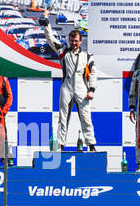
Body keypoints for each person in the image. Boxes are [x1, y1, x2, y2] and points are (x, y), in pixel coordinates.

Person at [40, 19, 97, 151]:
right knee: (63, 116)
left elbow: (93, 74)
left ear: (80, 41)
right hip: (66, 86)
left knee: (86, 117)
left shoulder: (87, 56)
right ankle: (60, 144)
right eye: (71, 40)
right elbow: (50, 39)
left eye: (76, 41)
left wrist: (92, 89)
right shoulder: (63, 52)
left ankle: (91, 144)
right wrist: (47, 24)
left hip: (82, 88)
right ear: (68, 40)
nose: (74, 43)